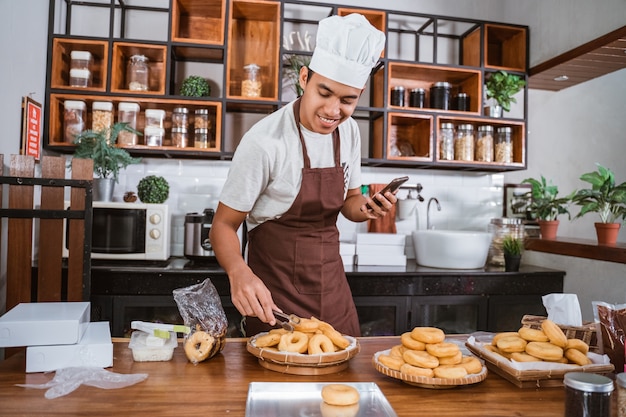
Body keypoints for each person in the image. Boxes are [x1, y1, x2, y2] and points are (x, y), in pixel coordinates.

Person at [210, 13, 394, 337]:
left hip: (333, 289)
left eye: (348, 100)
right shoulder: (264, 142)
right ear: (304, 78)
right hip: (276, 299)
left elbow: (349, 201)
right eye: (324, 93)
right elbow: (224, 225)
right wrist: (238, 271)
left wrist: (365, 208)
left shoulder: (349, 132)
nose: (333, 111)